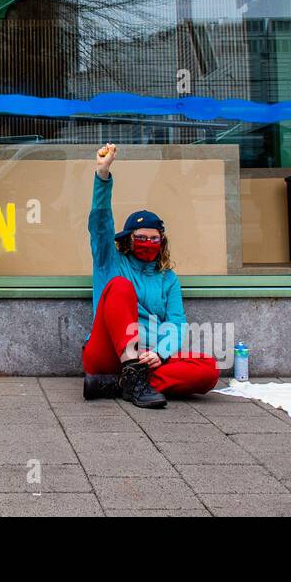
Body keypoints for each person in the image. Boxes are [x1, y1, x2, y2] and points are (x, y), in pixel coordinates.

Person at [83, 143, 219, 408]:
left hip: (149, 355)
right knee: (120, 287)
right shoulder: (109, 262)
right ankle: (130, 375)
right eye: (141, 237)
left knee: (209, 369)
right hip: (107, 353)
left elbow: (177, 322)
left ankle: (118, 383)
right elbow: (100, 224)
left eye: (153, 238)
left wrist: (160, 352)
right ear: (128, 240)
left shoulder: (168, 279)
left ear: (162, 241)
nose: (147, 242)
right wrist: (103, 175)